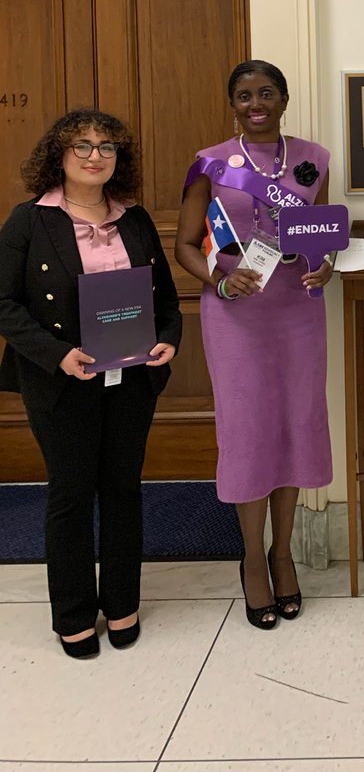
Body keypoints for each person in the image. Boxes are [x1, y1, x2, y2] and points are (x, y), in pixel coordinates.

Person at [0, 110, 181, 659]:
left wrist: (168, 339)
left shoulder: (137, 219)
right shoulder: (30, 220)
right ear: (58, 154)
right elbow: (4, 303)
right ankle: (74, 614)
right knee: (72, 493)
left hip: (131, 378)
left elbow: (165, 300)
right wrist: (57, 355)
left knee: (124, 490)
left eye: (107, 147)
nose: (95, 155)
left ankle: (122, 602)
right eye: (82, 145)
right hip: (61, 380)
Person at [175, 59, 333, 629]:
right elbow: (186, 244)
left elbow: (318, 237)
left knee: (296, 424)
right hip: (237, 313)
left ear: (284, 99)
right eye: (244, 95)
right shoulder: (211, 163)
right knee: (247, 431)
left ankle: (283, 552)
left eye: (266, 93)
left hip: (298, 311)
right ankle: (251, 560)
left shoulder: (315, 159)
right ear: (233, 104)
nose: (255, 103)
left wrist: (325, 266)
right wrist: (218, 278)